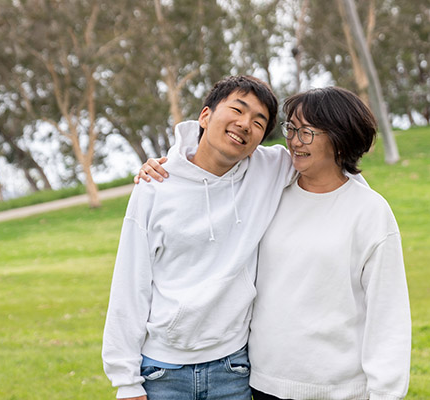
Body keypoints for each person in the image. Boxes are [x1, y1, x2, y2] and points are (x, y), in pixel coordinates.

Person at [136, 86, 411, 400]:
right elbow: (207, 167)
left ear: (341, 138)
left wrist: (386, 393)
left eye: (306, 132)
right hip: (263, 384)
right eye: (291, 129)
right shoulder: (270, 191)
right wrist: (171, 166)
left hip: (339, 390)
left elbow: (388, 317)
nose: (294, 141)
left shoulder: (370, 212)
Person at [102, 75, 296, 400]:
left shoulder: (269, 169)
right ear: (205, 116)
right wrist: (126, 383)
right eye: (238, 109)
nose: (245, 124)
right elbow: (130, 283)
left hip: (233, 369)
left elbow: (326, 164)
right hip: (162, 372)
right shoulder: (155, 186)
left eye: (259, 121)